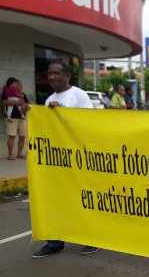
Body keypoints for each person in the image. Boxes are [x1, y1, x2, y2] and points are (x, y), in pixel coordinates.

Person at [31, 62, 101, 258]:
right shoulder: (49, 100)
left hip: (79, 158)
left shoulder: (78, 94)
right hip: (57, 160)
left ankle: (92, 238)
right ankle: (55, 242)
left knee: (83, 199)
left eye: (57, 73)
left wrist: (61, 109)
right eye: (49, 73)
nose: (52, 77)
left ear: (67, 76)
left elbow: (89, 121)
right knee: (56, 200)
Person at [2, 78, 29, 160]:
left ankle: (20, 153)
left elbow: (27, 104)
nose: (22, 87)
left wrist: (24, 104)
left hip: (23, 118)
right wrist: (17, 102)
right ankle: (10, 154)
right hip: (11, 118)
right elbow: (4, 102)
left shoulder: (23, 94)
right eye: (20, 85)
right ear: (15, 85)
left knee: (22, 136)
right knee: (12, 136)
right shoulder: (6, 93)